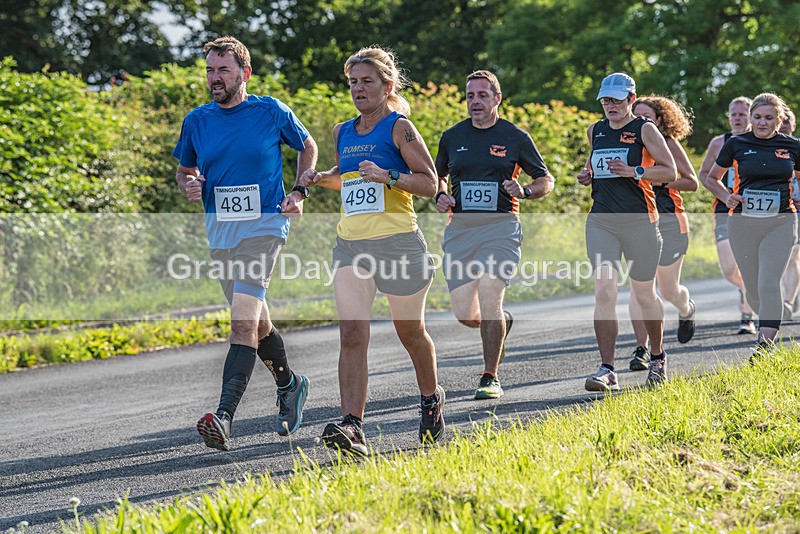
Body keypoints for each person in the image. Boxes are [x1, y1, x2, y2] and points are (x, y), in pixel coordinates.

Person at [173, 36, 317, 451]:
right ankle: (290, 385)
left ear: (244, 73)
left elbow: (307, 146)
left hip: (265, 228)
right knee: (256, 321)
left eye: (223, 70)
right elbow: (185, 170)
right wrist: (189, 184)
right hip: (221, 232)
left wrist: (298, 192)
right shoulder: (197, 120)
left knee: (240, 322)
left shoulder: (270, 111)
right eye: (210, 71)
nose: (214, 79)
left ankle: (223, 417)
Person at [298, 46, 444, 456]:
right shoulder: (343, 131)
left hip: (398, 243)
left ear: (387, 86)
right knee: (351, 333)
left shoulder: (400, 128)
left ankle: (431, 399)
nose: (358, 89)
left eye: (366, 81)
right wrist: (317, 177)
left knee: (410, 333)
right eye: (352, 82)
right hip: (351, 245)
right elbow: (347, 180)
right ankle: (353, 427)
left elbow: (430, 183)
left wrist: (388, 175)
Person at [434, 70, 553, 399]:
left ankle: (490, 376)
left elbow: (546, 180)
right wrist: (440, 195)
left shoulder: (515, 137)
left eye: (482, 95)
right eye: (470, 96)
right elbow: (436, 177)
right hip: (460, 231)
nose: (475, 102)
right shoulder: (452, 136)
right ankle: (500, 323)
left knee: (490, 293)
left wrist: (525, 190)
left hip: (501, 228)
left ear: (497, 98)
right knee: (464, 314)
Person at [576, 73, 677, 391]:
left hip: (640, 222)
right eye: (606, 100)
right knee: (604, 291)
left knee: (645, 293)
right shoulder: (595, 130)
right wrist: (588, 174)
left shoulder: (644, 129)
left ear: (631, 100)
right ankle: (607, 369)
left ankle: (658, 357)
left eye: (617, 100)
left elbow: (669, 171)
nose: (610, 106)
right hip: (602, 221)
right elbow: (597, 165)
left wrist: (636, 171)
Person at [704, 93, 800, 356]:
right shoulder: (737, 144)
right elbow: (712, 178)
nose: (761, 122)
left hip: (781, 222)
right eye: (757, 117)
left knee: (769, 281)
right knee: (754, 290)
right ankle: (764, 314)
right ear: (750, 118)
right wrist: (727, 197)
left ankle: (764, 346)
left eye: (768, 118)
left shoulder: (793, 146)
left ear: (779, 120)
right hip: (744, 224)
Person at [627, 96, 698, 371]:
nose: (642, 121)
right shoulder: (627, 144)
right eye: (638, 116)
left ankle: (686, 307)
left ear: (660, 121)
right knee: (639, 287)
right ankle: (642, 348)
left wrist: (651, 176)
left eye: (647, 117)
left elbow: (691, 182)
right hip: (639, 220)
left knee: (668, 290)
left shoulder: (667, 144)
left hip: (670, 221)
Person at [699, 96, 757, 335]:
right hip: (725, 210)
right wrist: (724, 195)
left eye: (742, 114)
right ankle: (747, 289)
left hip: (755, 212)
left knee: (751, 264)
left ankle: (748, 316)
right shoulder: (718, 142)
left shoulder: (763, 142)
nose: (737, 118)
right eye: (734, 114)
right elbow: (704, 174)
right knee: (728, 267)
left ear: (751, 117)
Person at [778, 107, 800, 320]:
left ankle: (788, 301)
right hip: (779, 212)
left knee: (793, 255)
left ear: (793, 125)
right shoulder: (766, 149)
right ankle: (786, 299)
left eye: (788, 121)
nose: (783, 124)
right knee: (787, 256)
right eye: (780, 120)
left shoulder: (798, 147)